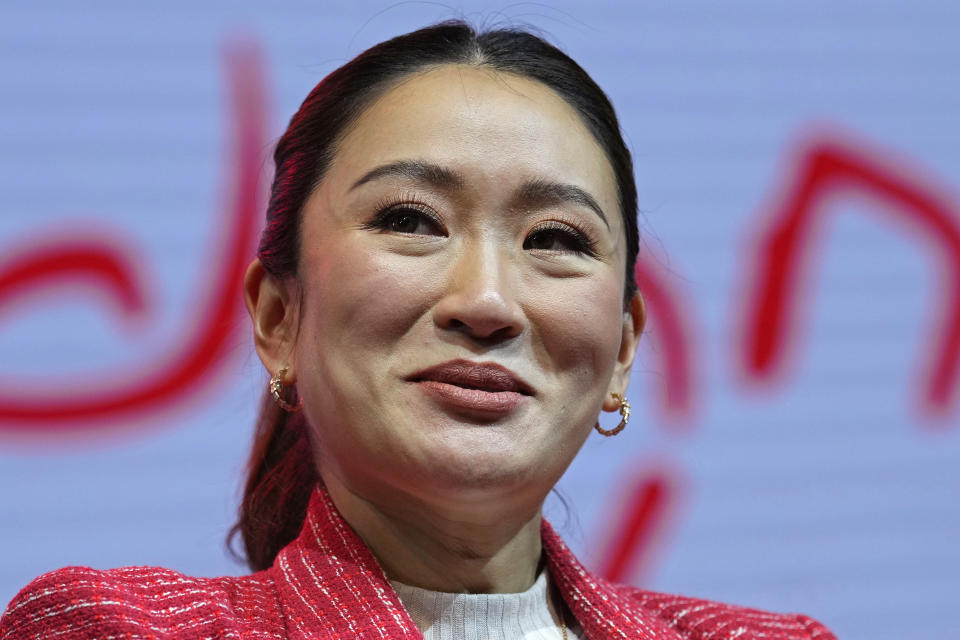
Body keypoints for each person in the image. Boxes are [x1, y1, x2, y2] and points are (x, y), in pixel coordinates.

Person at [0, 21, 836, 640]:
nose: (489, 301)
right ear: (278, 317)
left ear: (623, 348)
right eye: (410, 219)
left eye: (556, 239)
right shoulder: (119, 629)